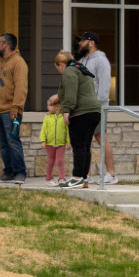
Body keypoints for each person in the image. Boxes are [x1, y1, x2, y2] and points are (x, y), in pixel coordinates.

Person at [54, 49, 102, 189]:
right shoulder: (81, 69)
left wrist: (66, 111)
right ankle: (84, 178)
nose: (59, 71)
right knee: (85, 146)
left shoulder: (69, 71)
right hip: (94, 112)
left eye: (57, 68)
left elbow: (71, 92)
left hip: (81, 113)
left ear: (61, 64)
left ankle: (77, 178)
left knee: (79, 145)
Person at [75, 31, 117, 184]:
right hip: (83, 107)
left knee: (100, 137)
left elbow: (104, 86)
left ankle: (111, 174)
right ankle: (86, 175)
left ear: (91, 43)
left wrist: (96, 106)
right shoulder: (82, 60)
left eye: (82, 41)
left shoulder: (101, 60)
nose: (80, 43)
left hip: (97, 107)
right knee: (85, 140)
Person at [0, 33, 29, 183]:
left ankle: (20, 172)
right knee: (3, 144)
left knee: (13, 142)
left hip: (10, 110)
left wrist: (16, 107)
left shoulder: (18, 62)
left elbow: (21, 87)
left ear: (6, 44)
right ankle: (9, 172)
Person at [40, 93, 69, 185]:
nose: (47, 107)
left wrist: (69, 142)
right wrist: (43, 141)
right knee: (50, 161)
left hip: (61, 144)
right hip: (49, 144)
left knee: (60, 161)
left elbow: (67, 131)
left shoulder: (63, 118)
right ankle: (49, 179)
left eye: (49, 105)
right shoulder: (47, 118)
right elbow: (43, 130)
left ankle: (62, 178)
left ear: (57, 107)